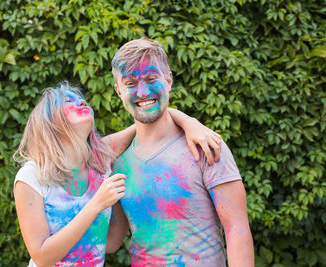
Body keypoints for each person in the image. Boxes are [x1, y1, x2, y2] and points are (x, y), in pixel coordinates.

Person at [13, 82, 222, 266]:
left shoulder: (100, 160)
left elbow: (111, 243)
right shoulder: (31, 176)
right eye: (67, 101)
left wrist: (189, 123)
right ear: (49, 121)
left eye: (81, 99)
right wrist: (97, 204)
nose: (81, 102)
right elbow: (41, 257)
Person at [108, 38, 254, 266]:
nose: (143, 91)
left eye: (151, 79)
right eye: (130, 83)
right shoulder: (119, 164)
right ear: (118, 91)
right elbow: (111, 241)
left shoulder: (205, 147)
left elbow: (236, 228)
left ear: (168, 80)